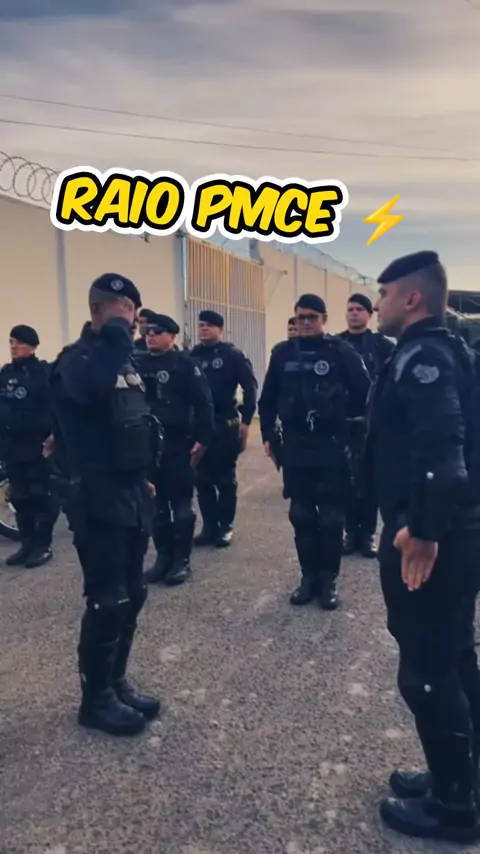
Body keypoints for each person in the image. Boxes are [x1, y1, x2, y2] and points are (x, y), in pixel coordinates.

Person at [369, 251, 480, 843]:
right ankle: (461, 778)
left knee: (428, 670)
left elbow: (442, 447)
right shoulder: (442, 349)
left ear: (411, 298)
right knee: (454, 655)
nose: (377, 304)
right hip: (454, 529)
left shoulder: (425, 356)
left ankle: (453, 808)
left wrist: (425, 531)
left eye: (383, 294)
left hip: (434, 533)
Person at [49, 273, 163, 737]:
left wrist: (144, 476)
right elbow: (91, 389)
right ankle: (94, 701)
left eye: (132, 309)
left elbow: (134, 422)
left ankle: (115, 682)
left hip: (131, 492)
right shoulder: (75, 361)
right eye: (120, 308)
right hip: (96, 498)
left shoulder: (125, 360)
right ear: (96, 309)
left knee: (133, 593)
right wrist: (115, 332)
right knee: (108, 600)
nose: (130, 317)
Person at [258, 294, 371, 610]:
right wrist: (268, 435)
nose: (305, 322)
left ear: (324, 319)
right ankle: (308, 578)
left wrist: (355, 433)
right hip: (296, 447)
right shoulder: (282, 354)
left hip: (331, 446)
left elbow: (366, 394)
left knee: (332, 519)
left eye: (312, 317)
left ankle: (328, 580)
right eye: (300, 317)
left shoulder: (340, 351)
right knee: (302, 515)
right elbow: (267, 400)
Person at [136, 313, 215, 586]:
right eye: (147, 331)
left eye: (157, 331)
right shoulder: (137, 362)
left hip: (177, 442)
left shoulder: (184, 364)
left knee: (180, 503)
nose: (150, 335)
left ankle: (182, 561)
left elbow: (204, 403)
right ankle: (163, 558)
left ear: (172, 336)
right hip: (145, 444)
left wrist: (204, 439)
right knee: (156, 505)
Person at [189, 310, 258, 548]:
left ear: (220, 329)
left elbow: (250, 387)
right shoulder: (192, 356)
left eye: (209, 325)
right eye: (201, 325)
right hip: (199, 425)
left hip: (224, 422)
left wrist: (246, 420)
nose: (204, 329)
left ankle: (225, 526)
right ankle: (209, 527)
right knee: (202, 479)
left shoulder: (232, 355)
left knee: (225, 478)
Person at [338, 293, 395, 558]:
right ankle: (351, 532)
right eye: (350, 309)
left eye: (359, 309)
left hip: (373, 424)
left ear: (369, 315)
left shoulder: (382, 345)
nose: (354, 313)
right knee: (347, 482)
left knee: (370, 481)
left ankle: (368, 534)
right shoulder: (336, 344)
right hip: (342, 423)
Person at [0, 325, 59, 568]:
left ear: (33, 346)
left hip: (37, 444)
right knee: (19, 497)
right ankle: (27, 544)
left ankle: (42, 545)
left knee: (40, 495)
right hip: (12, 446)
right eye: (11, 342)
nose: (14, 346)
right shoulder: (5, 373)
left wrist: (54, 436)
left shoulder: (42, 373)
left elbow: (55, 407)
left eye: (19, 342)